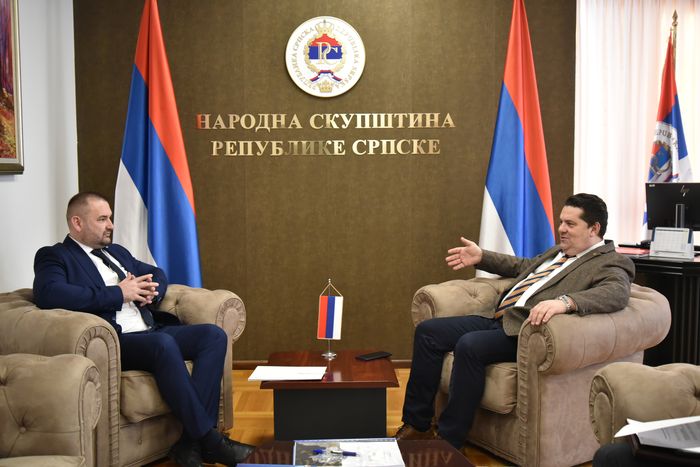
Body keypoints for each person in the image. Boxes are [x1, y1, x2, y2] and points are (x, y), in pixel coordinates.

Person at [394, 193, 635, 450]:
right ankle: (417, 425)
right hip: (498, 318)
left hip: (524, 331)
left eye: (570, 224)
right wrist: (482, 256)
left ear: (594, 228)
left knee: (469, 345)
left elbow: (616, 293)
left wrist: (566, 302)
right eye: (561, 222)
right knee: (428, 332)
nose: (561, 229)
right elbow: (524, 266)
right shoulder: (559, 251)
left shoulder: (611, 261)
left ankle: (449, 440)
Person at [33, 192, 254, 467]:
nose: (111, 225)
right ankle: (212, 442)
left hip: (149, 328)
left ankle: (189, 443)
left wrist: (151, 291)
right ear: (77, 223)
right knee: (163, 344)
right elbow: (50, 294)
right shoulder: (55, 256)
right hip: (116, 340)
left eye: (110, 218)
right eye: (102, 219)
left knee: (213, 336)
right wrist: (119, 293)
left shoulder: (116, 252)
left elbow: (156, 273)